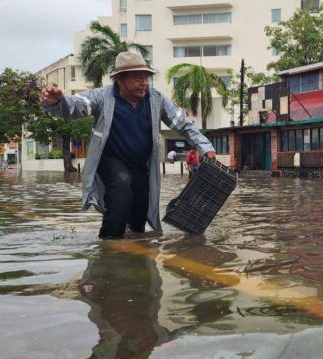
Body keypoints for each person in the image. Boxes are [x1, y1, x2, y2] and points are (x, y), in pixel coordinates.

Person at [42, 51, 216, 239]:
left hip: (140, 165)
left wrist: (204, 147)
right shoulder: (103, 97)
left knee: (140, 208)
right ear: (120, 80)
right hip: (110, 160)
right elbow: (78, 104)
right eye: (137, 79)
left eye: (146, 78)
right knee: (121, 186)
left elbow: (183, 123)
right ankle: (109, 247)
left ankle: (134, 255)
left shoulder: (156, 100)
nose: (144, 83)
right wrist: (60, 101)